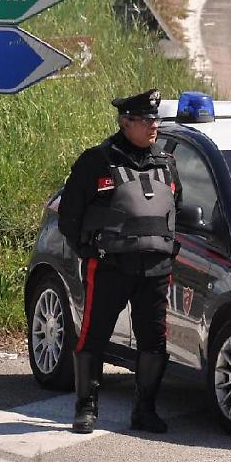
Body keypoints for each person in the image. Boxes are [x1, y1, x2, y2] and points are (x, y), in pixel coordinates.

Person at [58, 89, 182, 435]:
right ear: (125, 122)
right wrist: (89, 252)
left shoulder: (166, 163)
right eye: (145, 120)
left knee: (154, 342)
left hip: (155, 271)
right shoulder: (96, 161)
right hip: (109, 266)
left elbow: (178, 213)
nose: (153, 126)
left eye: (155, 119)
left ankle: (145, 410)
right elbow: (70, 216)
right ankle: (86, 409)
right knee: (93, 336)